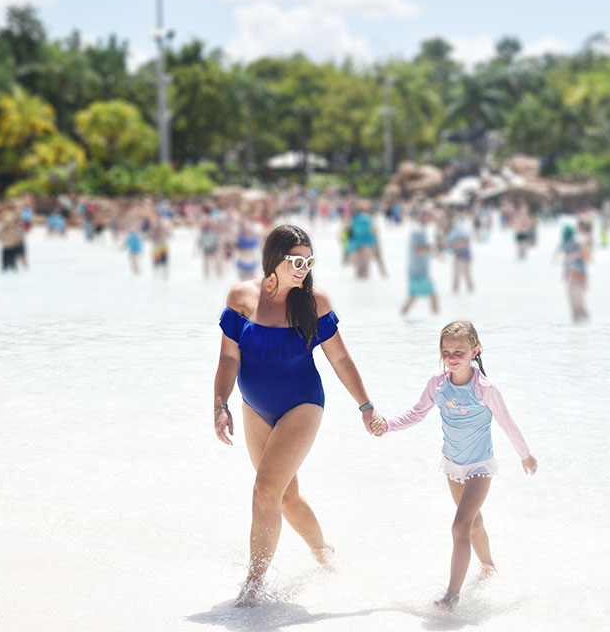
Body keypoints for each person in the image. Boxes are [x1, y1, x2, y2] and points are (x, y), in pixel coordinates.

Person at [213, 224, 384, 607]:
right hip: (253, 406)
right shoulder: (241, 297)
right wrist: (220, 404)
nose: (304, 267)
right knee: (286, 496)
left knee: (265, 489)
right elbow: (228, 356)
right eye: (296, 260)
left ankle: (253, 587)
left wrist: (366, 405)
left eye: (309, 261)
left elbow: (339, 357)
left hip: (302, 404)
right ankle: (323, 552)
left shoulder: (314, 302)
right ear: (275, 260)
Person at [368, 321, 537, 612]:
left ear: (475, 350)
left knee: (460, 526)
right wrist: (388, 425)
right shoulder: (437, 384)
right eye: (446, 351)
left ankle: (451, 597)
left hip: (480, 467)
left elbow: (507, 423)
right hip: (452, 465)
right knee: (474, 523)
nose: (452, 356)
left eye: (459, 350)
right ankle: (488, 567)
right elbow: (416, 413)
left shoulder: (485, 389)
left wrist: (526, 455)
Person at [401, 208, 440, 316]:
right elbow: (418, 250)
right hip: (418, 271)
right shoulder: (418, 231)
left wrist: (434, 252)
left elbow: (423, 249)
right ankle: (438, 323)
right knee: (432, 297)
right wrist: (431, 248)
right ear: (424, 216)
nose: (432, 218)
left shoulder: (420, 229)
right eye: (430, 216)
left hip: (418, 270)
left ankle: (401, 319)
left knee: (414, 297)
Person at [558, 225, 591, 323]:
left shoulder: (573, 244)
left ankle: (582, 319)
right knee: (574, 299)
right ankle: (579, 319)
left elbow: (584, 256)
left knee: (576, 299)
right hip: (575, 274)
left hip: (577, 274)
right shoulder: (573, 243)